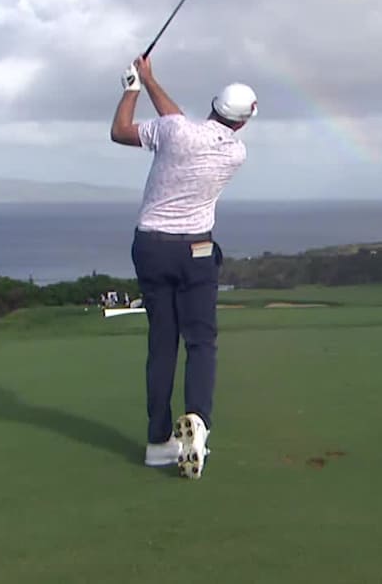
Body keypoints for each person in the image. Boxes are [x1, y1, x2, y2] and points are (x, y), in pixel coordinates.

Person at [110, 53, 258, 478]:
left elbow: (122, 131)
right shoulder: (235, 152)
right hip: (196, 251)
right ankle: (199, 422)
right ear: (243, 122)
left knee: (162, 343)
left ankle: (158, 441)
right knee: (201, 343)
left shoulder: (174, 132)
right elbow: (183, 129)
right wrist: (152, 82)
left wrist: (133, 88)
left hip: (152, 247)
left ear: (212, 105)